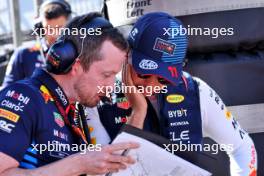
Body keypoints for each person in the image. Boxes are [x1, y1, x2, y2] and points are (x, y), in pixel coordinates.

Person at [87, 12, 258, 176]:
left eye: (163, 79)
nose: (150, 85)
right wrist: (138, 113)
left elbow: (242, 147)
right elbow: (106, 174)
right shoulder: (97, 100)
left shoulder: (197, 91)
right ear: (126, 56)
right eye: (143, 73)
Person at [0, 13, 145, 175]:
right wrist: (80, 163)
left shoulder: (69, 110)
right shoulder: (24, 98)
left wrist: (139, 111)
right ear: (76, 66)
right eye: (106, 75)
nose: (110, 87)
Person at [1, 0, 71, 88]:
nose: (53, 34)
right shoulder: (23, 54)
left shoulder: (80, 54)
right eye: (48, 28)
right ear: (40, 27)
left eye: (59, 28)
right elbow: (7, 91)